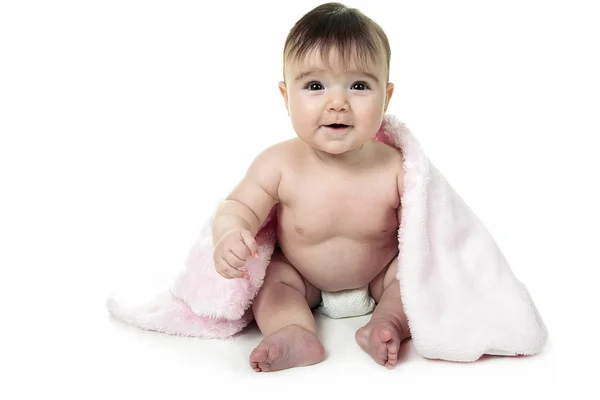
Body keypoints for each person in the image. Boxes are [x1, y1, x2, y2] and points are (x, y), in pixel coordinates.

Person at [211, 2, 409, 372]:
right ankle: (294, 331)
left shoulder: (396, 167)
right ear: (286, 98)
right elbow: (240, 206)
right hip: (303, 280)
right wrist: (230, 234)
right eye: (315, 85)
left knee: (411, 279)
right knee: (272, 282)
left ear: (387, 96)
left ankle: (388, 324)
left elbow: (432, 232)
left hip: (378, 277)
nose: (338, 103)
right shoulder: (279, 164)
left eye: (360, 85)